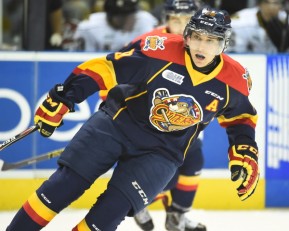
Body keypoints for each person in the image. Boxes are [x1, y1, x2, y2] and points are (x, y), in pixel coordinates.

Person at [7, 6, 260, 231]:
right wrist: (65, 97)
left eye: (211, 40)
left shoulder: (235, 81)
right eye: (196, 37)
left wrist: (245, 149)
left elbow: (241, 118)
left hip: (163, 151)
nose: (201, 46)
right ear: (188, 37)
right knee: (59, 189)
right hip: (116, 124)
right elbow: (107, 68)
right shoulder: (159, 52)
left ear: (223, 44)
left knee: (105, 219)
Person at [132, 1, 206, 231]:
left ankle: (178, 217)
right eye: (176, 20)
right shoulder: (147, 43)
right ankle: (138, 202)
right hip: (151, 125)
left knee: (194, 163)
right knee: (168, 176)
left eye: (188, 20)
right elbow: (113, 80)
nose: (183, 26)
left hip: (185, 123)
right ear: (166, 19)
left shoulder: (204, 43)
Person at [71, 0, 158, 51]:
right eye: (127, 16)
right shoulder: (88, 28)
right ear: (113, 16)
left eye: (133, 13)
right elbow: (81, 60)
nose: (133, 18)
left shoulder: (146, 20)